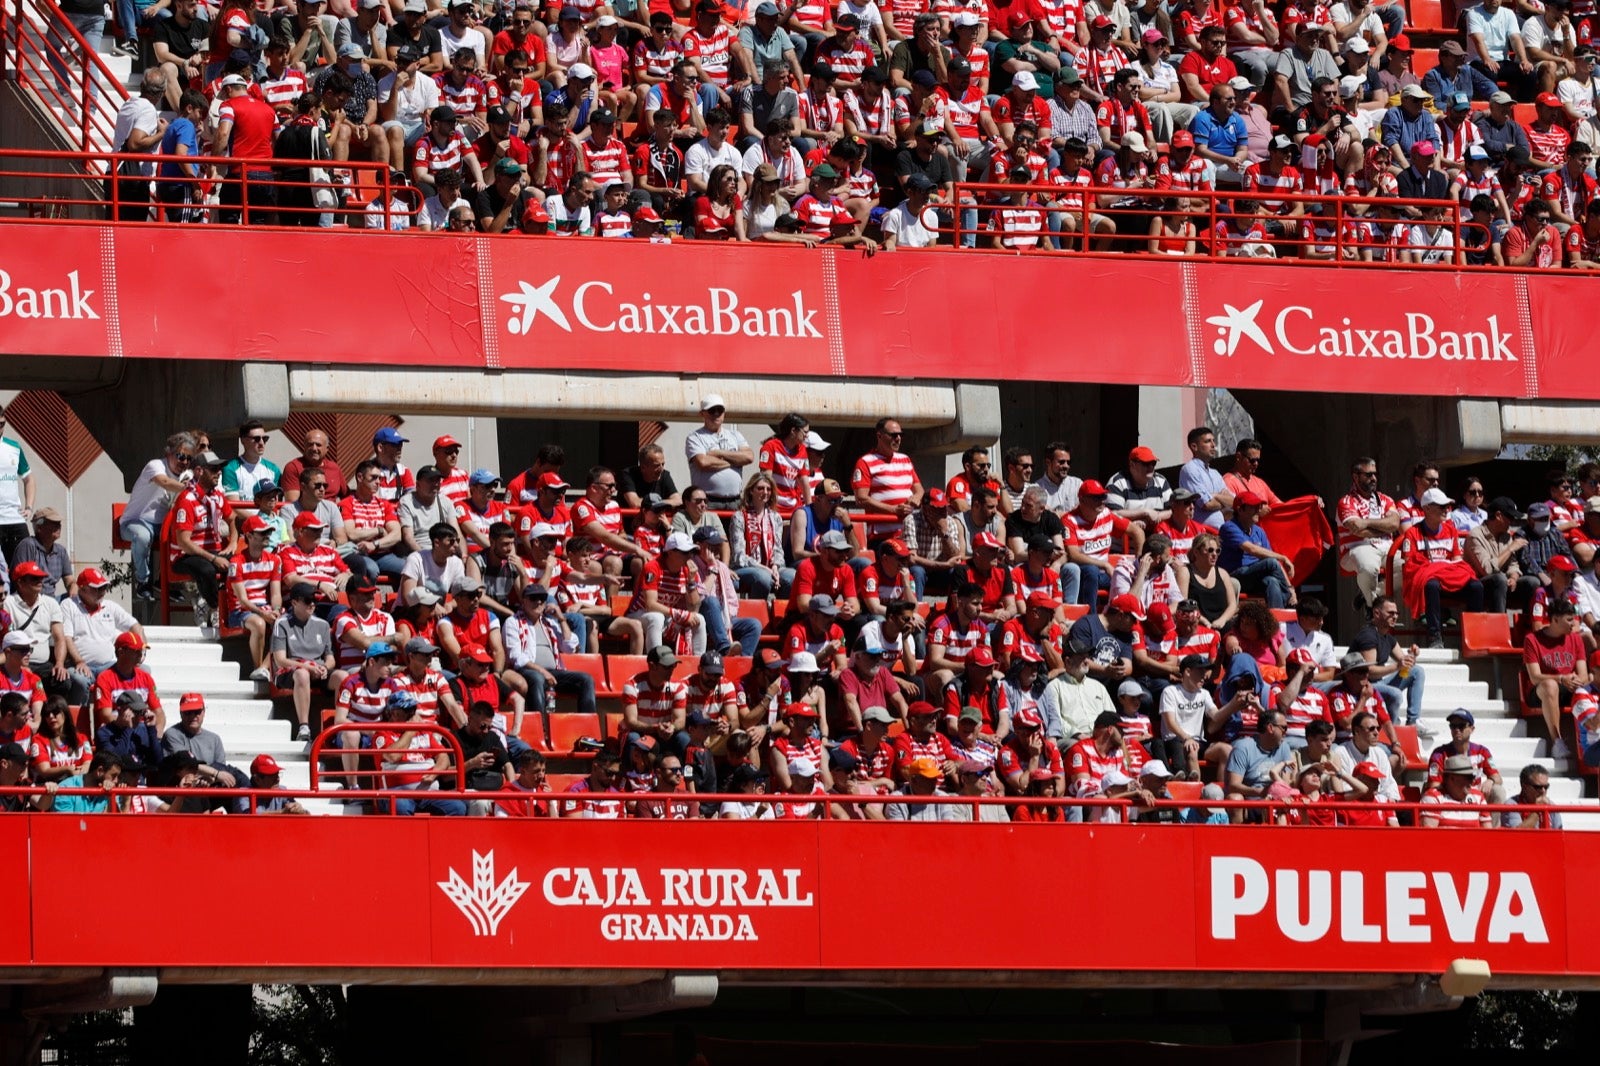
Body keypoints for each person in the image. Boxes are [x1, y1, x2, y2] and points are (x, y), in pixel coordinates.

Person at [162, 693, 251, 813]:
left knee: (236, 779)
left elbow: (222, 772)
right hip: (182, 788)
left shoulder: (214, 739)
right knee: (232, 775)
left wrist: (211, 778)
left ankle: (244, 819)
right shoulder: (172, 734)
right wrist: (216, 773)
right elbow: (184, 764)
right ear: (181, 713)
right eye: (188, 712)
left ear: (204, 712)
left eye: (197, 711)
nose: (193, 716)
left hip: (208, 787)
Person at [271, 583, 337, 744]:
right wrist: (307, 667)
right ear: (294, 603)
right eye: (307, 600)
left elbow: (330, 658)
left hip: (317, 668)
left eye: (314, 600)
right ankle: (304, 726)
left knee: (342, 676)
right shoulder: (282, 623)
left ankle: (339, 725)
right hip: (291, 671)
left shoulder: (322, 625)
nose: (312, 604)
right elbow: (280, 659)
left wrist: (325, 667)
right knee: (302, 674)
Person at [1525, 597, 1587, 761]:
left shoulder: (1576, 638)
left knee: (1586, 687)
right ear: (1555, 619)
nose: (1573, 624)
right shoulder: (1532, 639)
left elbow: (1584, 675)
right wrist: (1560, 678)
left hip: (1569, 686)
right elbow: (1535, 677)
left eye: (1573, 619)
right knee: (1550, 685)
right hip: (1541, 690)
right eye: (1569, 620)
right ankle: (1557, 742)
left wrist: (1574, 680)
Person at [1218, 491, 1293, 608]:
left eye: (1259, 506)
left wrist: (1290, 587)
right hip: (1236, 575)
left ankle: (1277, 622)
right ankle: (1289, 602)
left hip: (1255, 575)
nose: (1258, 510)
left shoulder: (1259, 531)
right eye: (1253, 507)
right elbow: (1251, 549)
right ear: (1240, 510)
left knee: (1272, 582)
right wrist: (1283, 557)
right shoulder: (1229, 527)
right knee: (1271, 563)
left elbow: (1273, 560)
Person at [1419, 753, 1493, 828]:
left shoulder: (1478, 797)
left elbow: (1488, 833)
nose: (1472, 781)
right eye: (1468, 777)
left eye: (1473, 777)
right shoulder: (1433, 797)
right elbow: (1429, 835)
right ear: (1451, 779)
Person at [1501, 763, 1563, 828]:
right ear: (1524, 787)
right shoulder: (1511, 805)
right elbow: (1518, 835)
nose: (1543, 791)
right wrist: (1537, 810)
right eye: (1538, 787)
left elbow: (1559, 834)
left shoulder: (1551, 805)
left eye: (1546, 786)